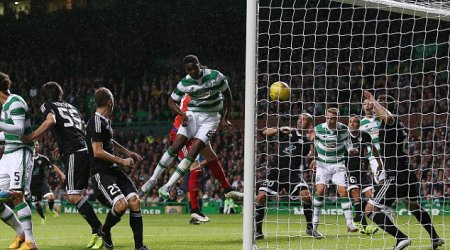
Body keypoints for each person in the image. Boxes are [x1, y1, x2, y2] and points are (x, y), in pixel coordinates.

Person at [141, 55, 240, 204]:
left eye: (195, 68)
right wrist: (182, 114)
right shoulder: (184, 83)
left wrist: (225, 117)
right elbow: (171, 101)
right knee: (175, 146)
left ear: (199, 65)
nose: (193, 71)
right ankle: (153, 179)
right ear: (186, 70)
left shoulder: (216, 76)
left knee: (194, 153)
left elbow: (228, 95)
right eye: (189, 69)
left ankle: (168, 186)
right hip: (193, 115)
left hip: (211, 118)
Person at [21, 81, 103, 249]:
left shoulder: (47, 105)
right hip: (84, 149)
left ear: (45, 96)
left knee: (73, 196)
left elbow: (51, 121)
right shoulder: (71, 107)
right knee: (76, 194)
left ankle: (100, 230)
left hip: (75, 152)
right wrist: (62, 142)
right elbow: (80, 128)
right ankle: (97, 231)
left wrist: (32, 137)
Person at [141, 93, 242, 223]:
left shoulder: (196, 91)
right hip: (183, 132)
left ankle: (227, 189)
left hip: (195, 130)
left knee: (212, 157)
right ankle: (194, 210)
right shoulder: (197, 94)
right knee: (195, 166)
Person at [363, 91, 444, 250]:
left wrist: (372, 99)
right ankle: (435, 238)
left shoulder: (390, 121)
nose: (373, 107)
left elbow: (387, 116)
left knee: (370, 210)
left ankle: (401, 238)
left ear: (384, 107)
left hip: (395, 174)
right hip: (407, 173)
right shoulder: (397, 124)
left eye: (377, 105)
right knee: (413, 207)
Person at [86, 87, 148, 250]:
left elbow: (110, 142)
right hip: (102, 173)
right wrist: (122, 160)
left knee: (134, 201)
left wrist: (127, 152)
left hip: (114, 171)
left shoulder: (105, 121)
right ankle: (105, 230)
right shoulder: (96, 122)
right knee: (121, 205)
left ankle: (139, 247)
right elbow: (97, 151)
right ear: (109, 102)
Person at [255, 113, 315, 240]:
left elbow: (310, 155)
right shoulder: (287, 132)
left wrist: (312, 141)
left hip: (293, 173)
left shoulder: (307, 139)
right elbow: (264, 132)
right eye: (299, 119)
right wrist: (279, 129)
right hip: (276, 172)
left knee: (306, 196)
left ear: (309, 124)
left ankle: (310, 227)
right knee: (260, 197)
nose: (300, 122)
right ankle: (258, 231)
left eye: (304, 120)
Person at [0, 72, 37, 249]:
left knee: (17, 196)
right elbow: (7, 134)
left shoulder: (15, 101)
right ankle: (21, 234)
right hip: (7, 154)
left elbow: (19, 130)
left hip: (20, 153)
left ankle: (30, 242)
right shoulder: (5, 106)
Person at [310, 108, 358, 238]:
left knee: (343, 191)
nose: (330, 121)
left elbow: (348, 143)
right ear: (325, 117)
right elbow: (314, 143)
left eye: (333, 118)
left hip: (338, 164)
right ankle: (314, 226)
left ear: (337, 118)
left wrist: (351, 150)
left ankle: (350, 223)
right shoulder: (318, 128)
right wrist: (314, 157)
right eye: (328, 118)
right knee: (320, 190)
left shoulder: (343, 129)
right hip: (322, 164)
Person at [347, 115, 381, 235]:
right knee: (356, 196)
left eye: (355, 122)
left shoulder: (364, 135)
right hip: (349, 170)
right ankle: (364, 227)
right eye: (350, 122)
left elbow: (373, 148)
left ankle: (357, 218)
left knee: (372, 195)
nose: (352, 124)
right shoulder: (344, 136)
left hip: (362, 171)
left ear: (359, 124)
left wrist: (379, 163)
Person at [29, 141, 65, 224]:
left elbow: (52, 166)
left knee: (51, 198)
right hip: (31, 186)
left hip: (42, 183)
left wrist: (61, 174)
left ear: (39, 147)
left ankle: (51, 209)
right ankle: (43, 217)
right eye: (33, 145)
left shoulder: (43, 158)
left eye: (37, 145)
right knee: (37, 204)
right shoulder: (27, 158)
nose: (35, 146)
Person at [360, 98, 386, 184]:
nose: (367, 106)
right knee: (382, 180)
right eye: (365, 104)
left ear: (374, 106)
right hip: (373, 156)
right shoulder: (360, 124)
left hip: (387, 154)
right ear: (363, 107)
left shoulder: (381, 120)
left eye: (369, 104)